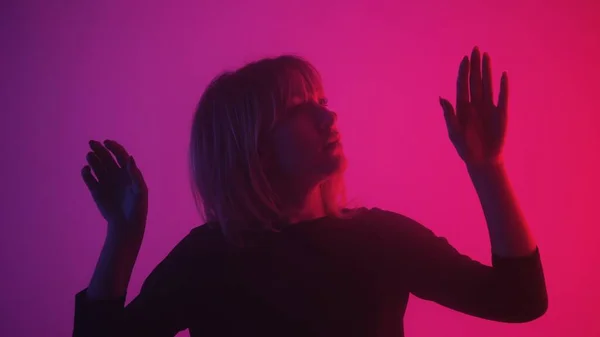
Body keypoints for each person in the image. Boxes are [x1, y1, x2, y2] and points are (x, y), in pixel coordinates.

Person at [73, 46, 548, 337]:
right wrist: (122, 235)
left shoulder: (379, 239)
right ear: (253, 146)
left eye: (322, 101)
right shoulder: (209, 258)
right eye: (301, 108)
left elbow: (519, 300)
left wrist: (488, 168)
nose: (329, 117)